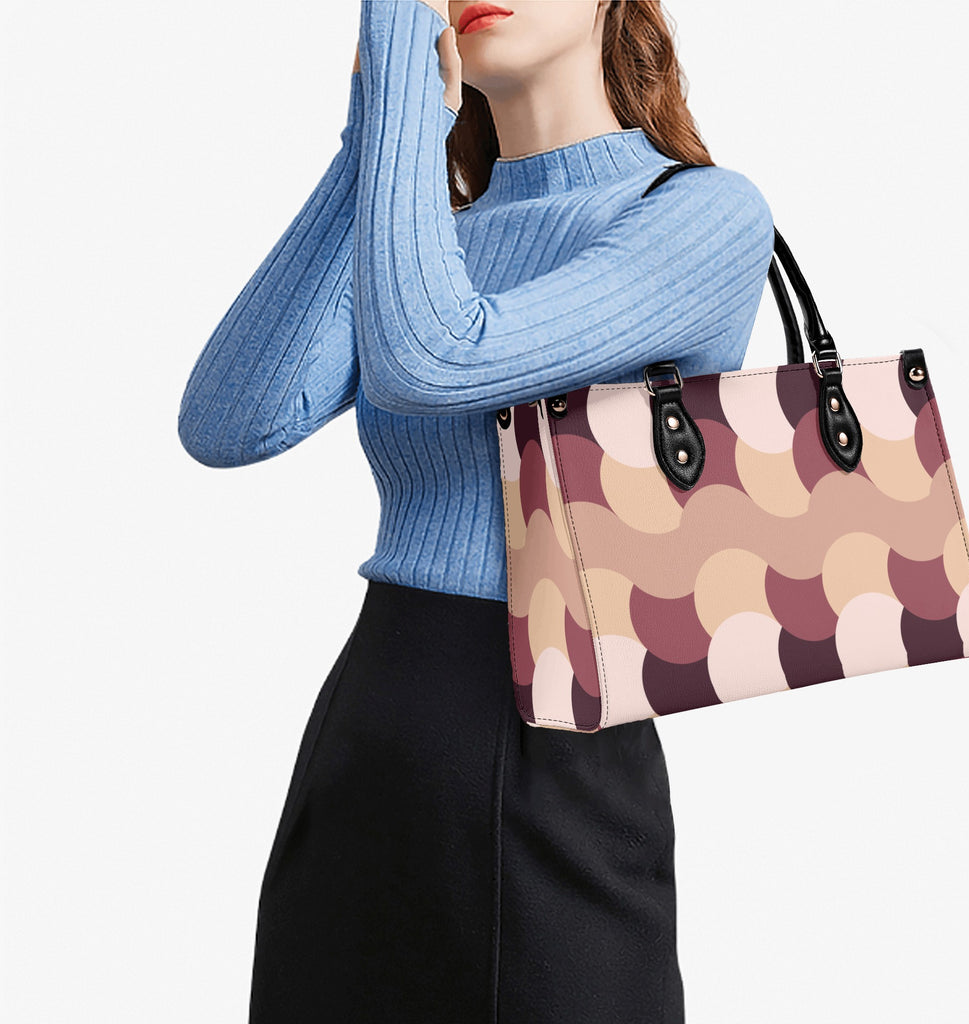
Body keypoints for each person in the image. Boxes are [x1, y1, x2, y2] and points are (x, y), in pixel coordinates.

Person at [177, 1, 775, 1020]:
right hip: (375, 726)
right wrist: (375, 134)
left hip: (561, 752)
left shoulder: (698, 214)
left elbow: (434, 355)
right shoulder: (427, 240)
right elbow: (233, 417)